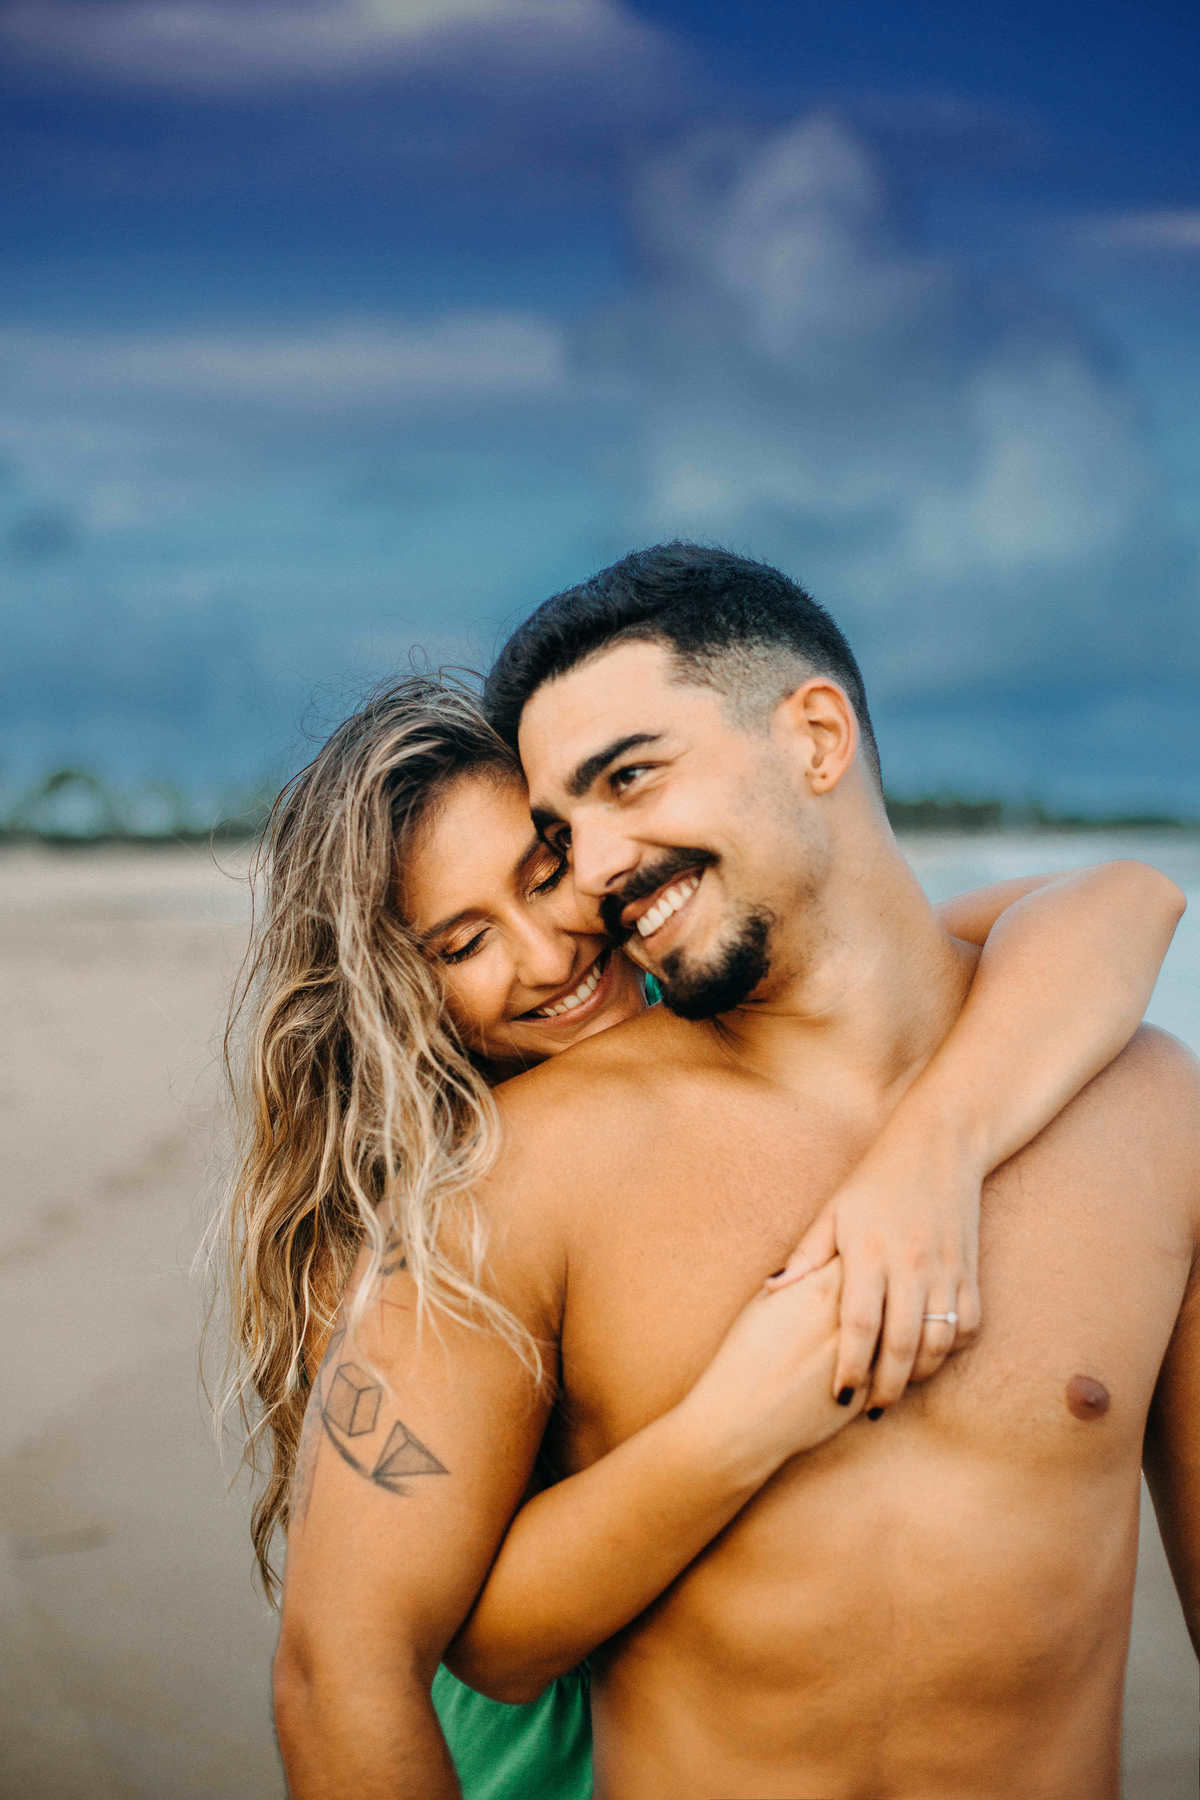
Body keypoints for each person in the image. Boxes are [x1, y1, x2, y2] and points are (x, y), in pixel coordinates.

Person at [244, 621, 1188, 1796]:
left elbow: (1116, 901)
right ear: (400, 995)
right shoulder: (485, 1182)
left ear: (818, 737)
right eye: (463, 941)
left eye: (551, 866)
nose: (553, 945)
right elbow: (419, 1657)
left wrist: (932, 1152)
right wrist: (742, 1417)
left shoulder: (1128, 1102)